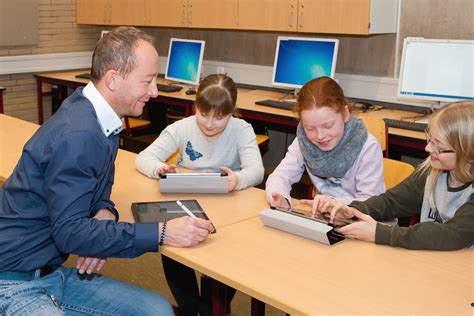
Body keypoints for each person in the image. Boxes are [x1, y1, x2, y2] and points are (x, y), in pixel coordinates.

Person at [0, 26, 213, 315]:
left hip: (49, 272)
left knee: (156, 309)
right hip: (12, 283)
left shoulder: (101, 118)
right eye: (148, 81)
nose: (154, 91)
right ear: (113, 79)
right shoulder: (80, 134)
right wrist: (162, 233)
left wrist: (104, 212)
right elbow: (69, 234)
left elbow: (97, 190)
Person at [136, 73, 265, 315]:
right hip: (187, 206)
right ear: (196, 106)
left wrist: (237, 179)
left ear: (231, 111)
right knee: (172, 247)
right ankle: (190, 307)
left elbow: (256, 171)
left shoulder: (241, 129)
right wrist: (158, 168)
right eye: (203, 114)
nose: (209, 124)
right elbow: (145, 157)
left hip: (229, 211)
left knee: (222, 268)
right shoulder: (182, 128)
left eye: (220, 118)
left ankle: (211, 307)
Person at [315, 101, 474, 250]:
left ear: (469, 155)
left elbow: (452, 234)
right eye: (430, 139)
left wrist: (382, 233)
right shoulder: (431, 172)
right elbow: (392, 202)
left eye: (438, 146)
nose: (427, 148)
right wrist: (352, 211)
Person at [266, 76, 385, 212]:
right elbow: (280, 176)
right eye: (310, 128)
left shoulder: (367, 147)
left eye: (328, 125)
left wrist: (334, 202)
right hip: (327, 219)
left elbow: (371, 202)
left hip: (364, 223)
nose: (320, 136)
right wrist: (280, 196)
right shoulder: (304, 142)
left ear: (344, 114)